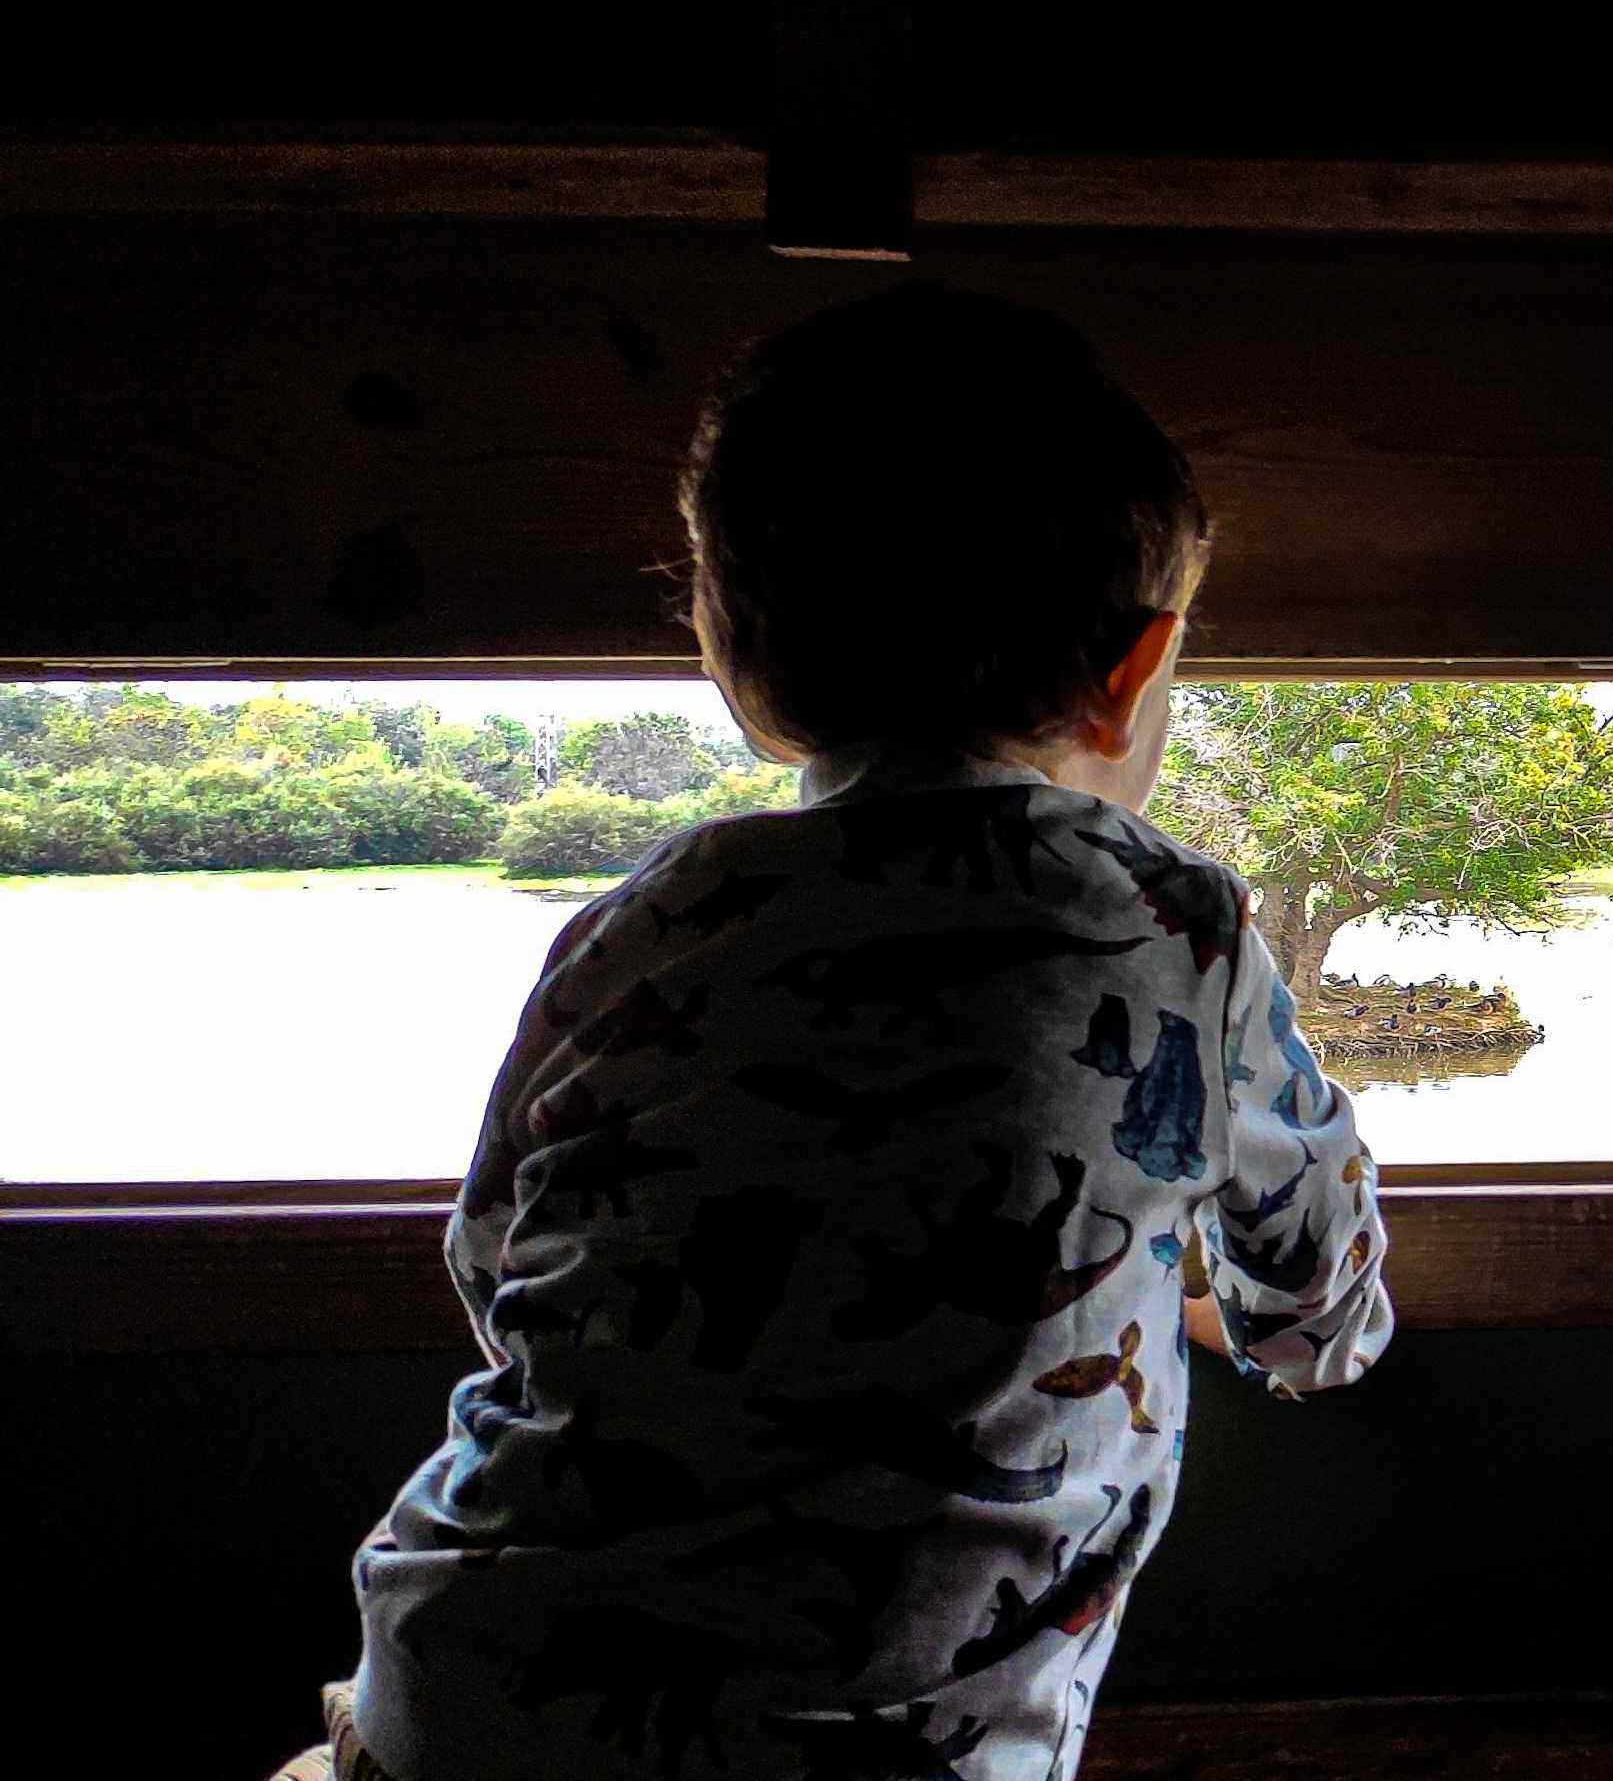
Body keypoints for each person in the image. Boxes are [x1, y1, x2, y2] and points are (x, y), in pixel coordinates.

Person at [330, 283, 1391, 1781]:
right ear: (1135, 673)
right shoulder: (1178, 925)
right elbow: (1317, 1285)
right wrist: (1276, 1337)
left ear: (736, 661)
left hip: (466, 1689)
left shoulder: (648, 913)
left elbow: (501, 1254)